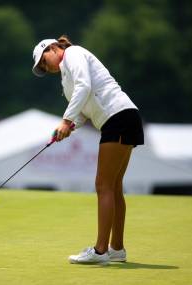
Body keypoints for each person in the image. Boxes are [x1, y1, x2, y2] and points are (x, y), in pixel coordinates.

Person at [32, 35, 144, 265]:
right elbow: (83, 110)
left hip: (119, 116)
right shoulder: (65, 80)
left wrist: (66, 120)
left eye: (44, 60)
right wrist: (69, 126)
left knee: (103, 185)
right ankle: (117, 249)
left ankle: (100, 251)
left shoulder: (73, 54)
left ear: (53, 48)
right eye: (42, 67)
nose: (46, 67)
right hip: (122, 117)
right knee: (113, 187)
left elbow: (85, 86)